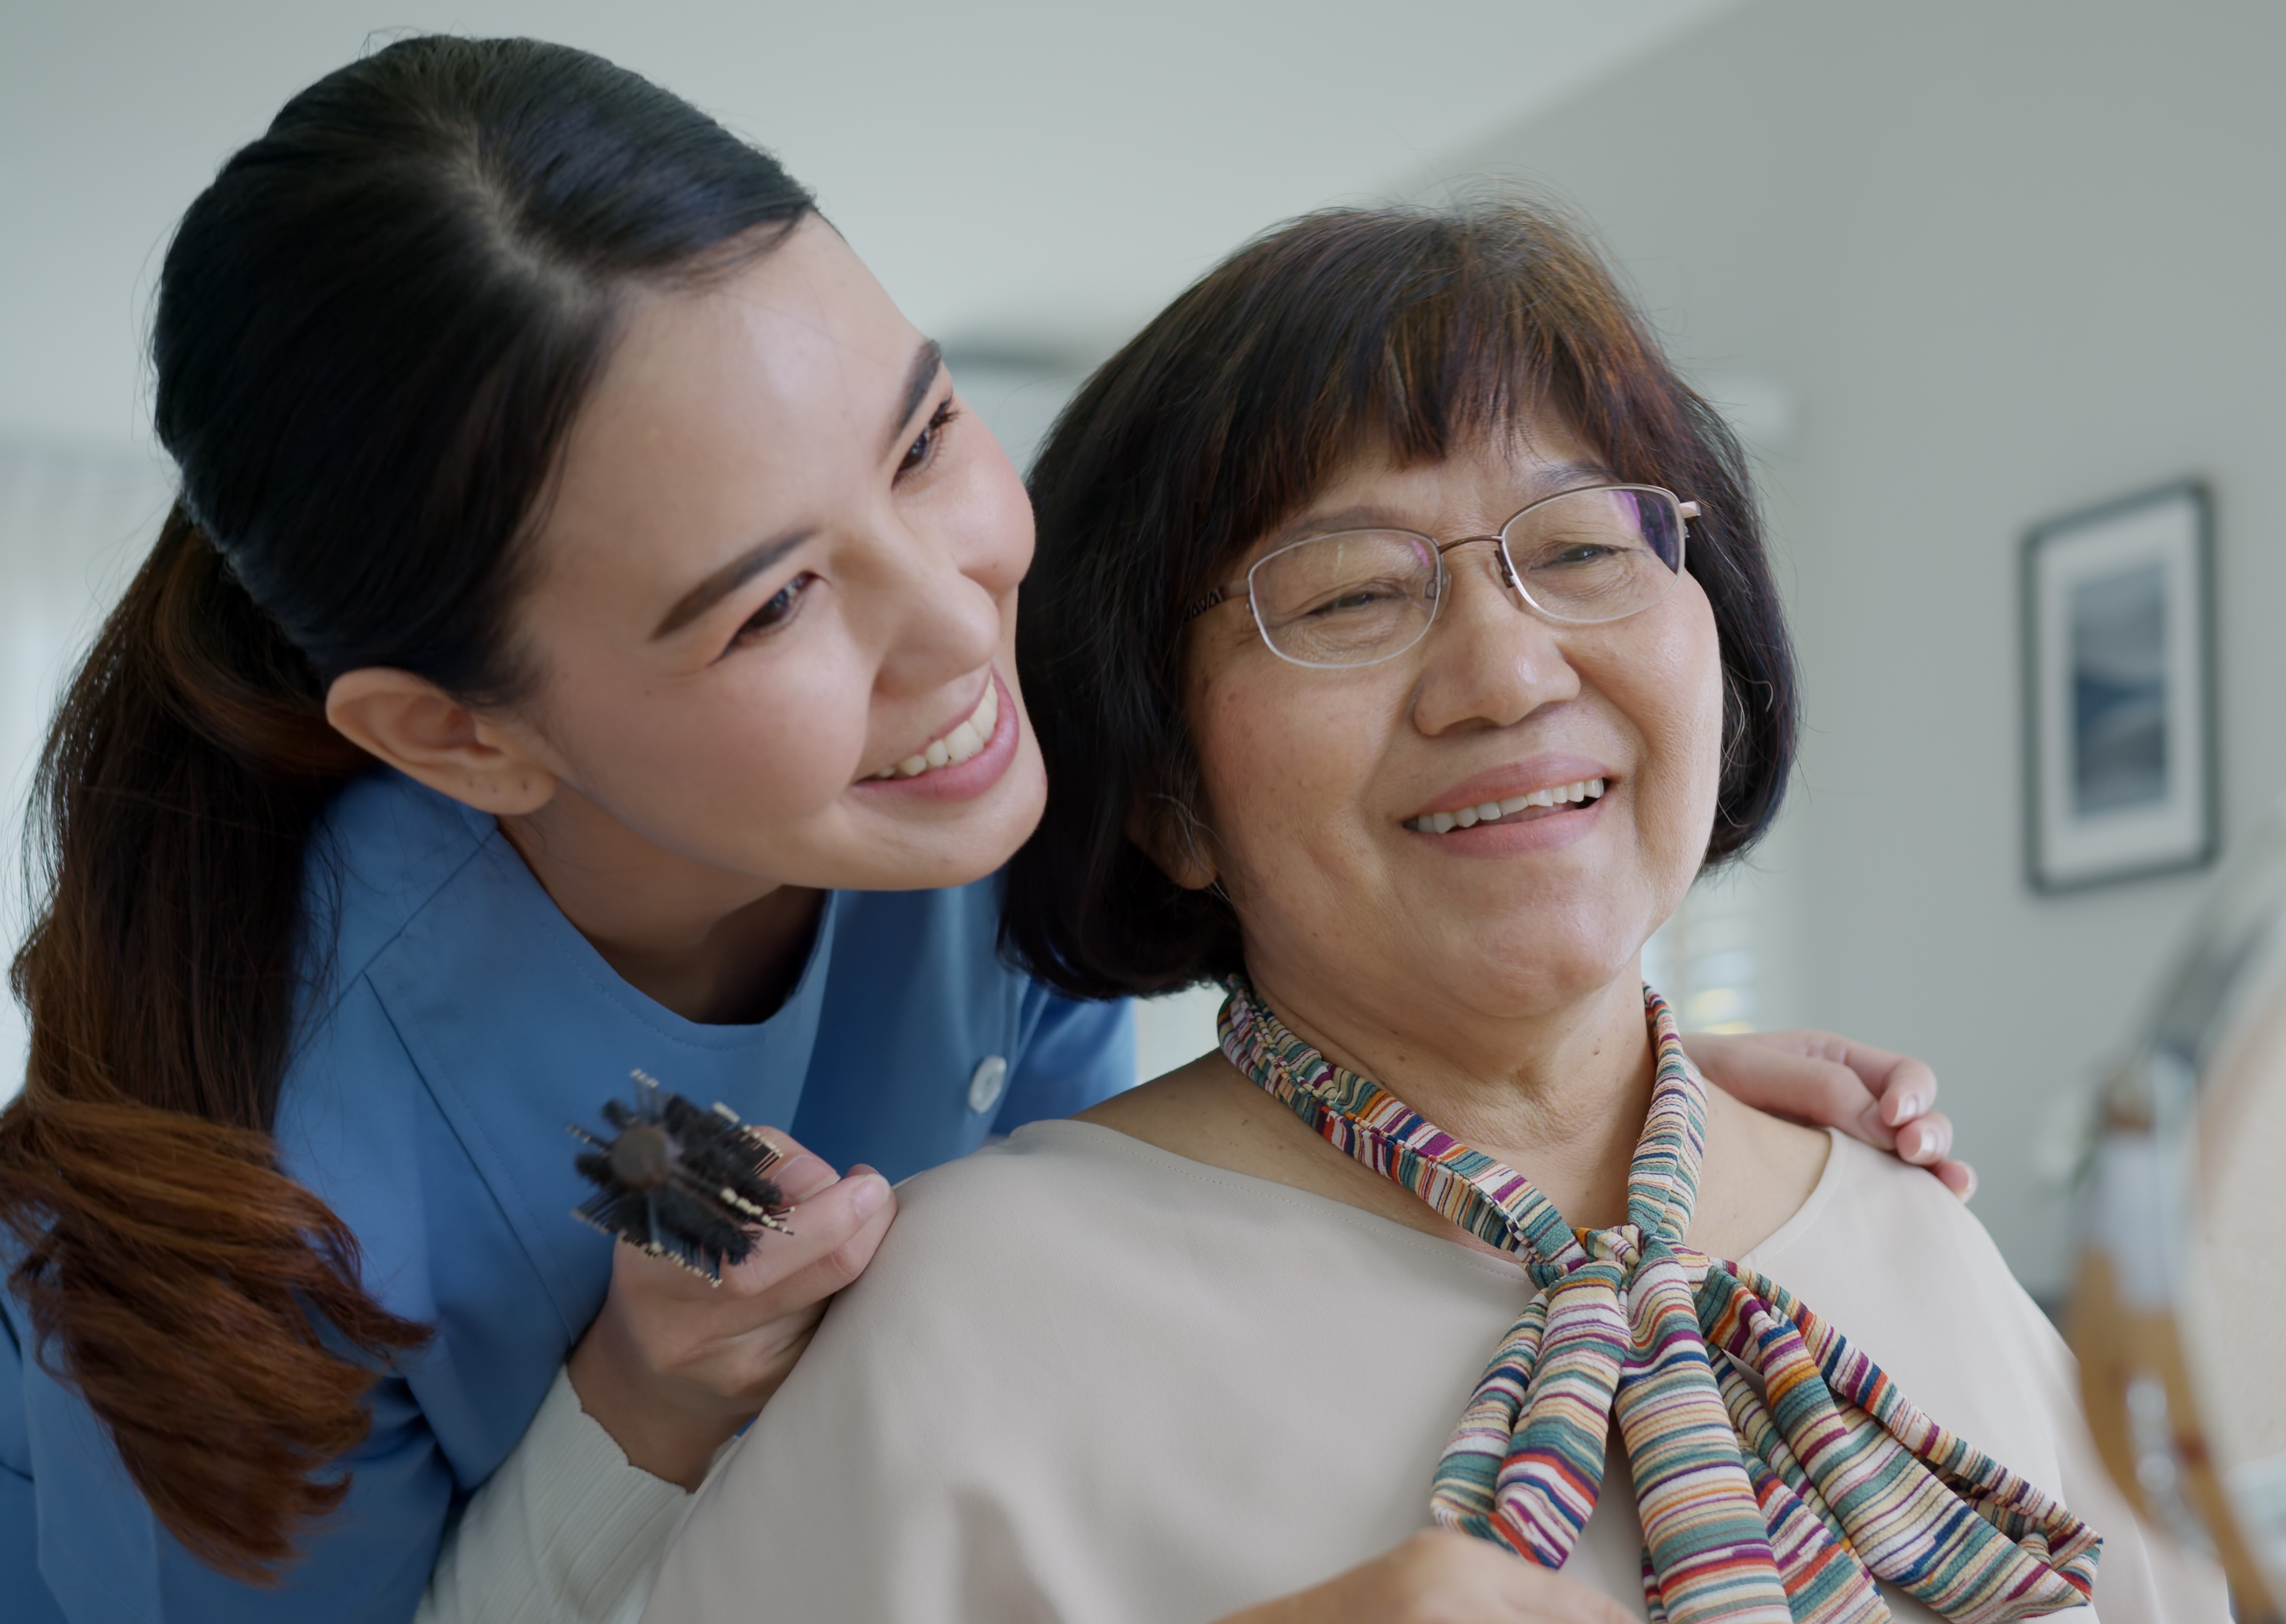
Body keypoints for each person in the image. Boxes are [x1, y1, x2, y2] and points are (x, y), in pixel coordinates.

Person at [0, 40, 1967, 1623]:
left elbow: (1167, 1163)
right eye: (772, 602)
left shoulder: (966, 830)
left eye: (929, 436)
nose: (962, 628)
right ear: (460, 731)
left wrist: (1597, 1102)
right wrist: (631, 1421)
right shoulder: (254, 1182)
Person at [635, 203, 2286, 1624]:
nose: (1504, 667)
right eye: (1351, 595)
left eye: (1581, 547)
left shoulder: (1913, 1242)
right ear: (1164, 796)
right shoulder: (973, 1325)